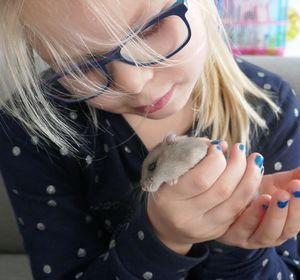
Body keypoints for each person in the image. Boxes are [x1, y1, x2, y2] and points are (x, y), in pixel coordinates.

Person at [0, 0, 300, 279]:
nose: (133, 83)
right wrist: (163, 239)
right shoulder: (29, 129)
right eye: (80, 66)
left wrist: (239, 245)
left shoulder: (271, 104)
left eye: (151, 28)